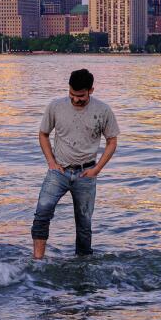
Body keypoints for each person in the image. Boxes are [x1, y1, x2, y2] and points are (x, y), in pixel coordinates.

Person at [30, 68, 119, 258]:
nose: (75, 99)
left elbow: (112, 141)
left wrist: (97, 169)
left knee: (84, 225)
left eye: (80, 96)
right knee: (42, 213)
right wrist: (51, 162)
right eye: (71, 94)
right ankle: (37, 261)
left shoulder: (103, 110)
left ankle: (83, 265)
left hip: (86, 173)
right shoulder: (55, 106)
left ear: (91, 91)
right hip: (58, 172)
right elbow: (43, 134)